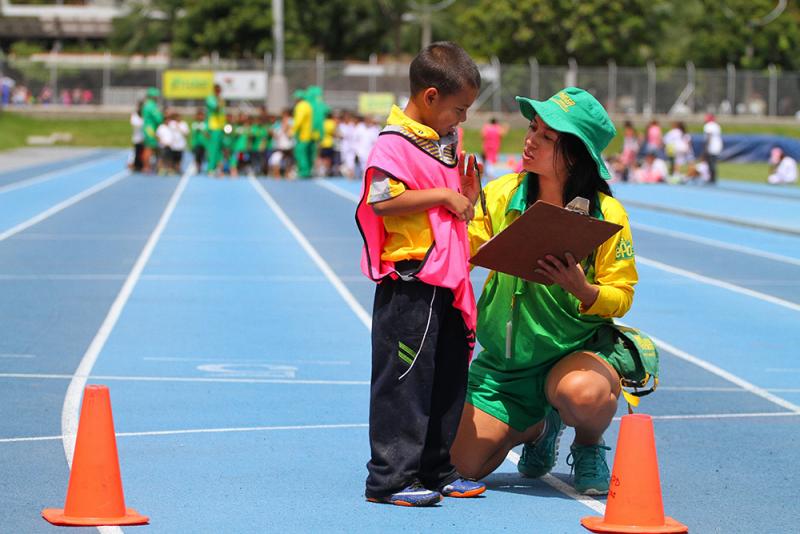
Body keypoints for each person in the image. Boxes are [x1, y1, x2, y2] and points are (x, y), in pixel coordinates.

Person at [451, 87, 655, 496]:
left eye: (546, 137)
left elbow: (623, 294)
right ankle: (539, 426)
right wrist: (464, 210)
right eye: (532, 128)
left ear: (575, 154)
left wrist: (585, 290)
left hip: (576, 353)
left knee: (581, 394)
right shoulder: (502, 193)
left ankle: (588, 443)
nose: (529, 140)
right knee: (461, 467)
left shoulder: (606, 214)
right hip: (508, 365)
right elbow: (464, 252)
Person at [355, 41, 486, 507]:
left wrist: (466, 195)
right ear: (430, 97)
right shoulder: (394, 142)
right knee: (405, 379)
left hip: (447, 279)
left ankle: (436, 467)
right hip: (412, 280)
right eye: (459, 109)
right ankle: (390, 478)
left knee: (449, 373)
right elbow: (383, 200)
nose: (463, 120)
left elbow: (457, 209)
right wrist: (442, 198)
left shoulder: (441, 144)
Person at [292, 89, 315, 178]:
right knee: (307, 153)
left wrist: (293, 130)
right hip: (309, 134)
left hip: (302, 135)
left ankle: (303, 172)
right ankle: (308, 170)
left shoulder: (300, 106)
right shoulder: (308, 106)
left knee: (300, 153)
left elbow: (299, 120)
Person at [205, 84, 226, 177]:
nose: (218, 92)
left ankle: (218, 168)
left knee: (219, 150)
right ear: (214, 90)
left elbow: (222, 113)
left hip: (220, 127)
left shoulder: (221, 99)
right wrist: (218, 100)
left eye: (219, 90)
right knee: (213, 150)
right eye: (217, 90)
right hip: (213, 127)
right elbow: (216, 108)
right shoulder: (210, 98)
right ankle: (210, 169)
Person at [141, 87, 163, 174]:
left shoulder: (146, 105)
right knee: (149, 148)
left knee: (150, 147)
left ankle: (148, 166)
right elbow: (158, 118)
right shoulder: (151, 106)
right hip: (150, 128)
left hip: (148, 127)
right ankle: (146, 167)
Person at [703, 113, 723, 184]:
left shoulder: (708, 126)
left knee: (711, 162)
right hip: (718, 145)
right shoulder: (716, 125)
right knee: (713, 161)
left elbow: (709, 137)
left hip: (712, 146)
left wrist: (706, 147)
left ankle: (712, 178)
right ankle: (713, 177)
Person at [129, 100, 145, 172]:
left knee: (143, 152)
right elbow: (135, 124)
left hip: (145, 137)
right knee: (136, 152)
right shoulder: (134, 115)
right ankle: (136, 165)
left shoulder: (145, 114)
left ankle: (142, 165)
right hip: (137, 137)